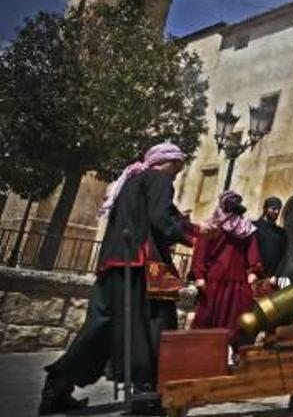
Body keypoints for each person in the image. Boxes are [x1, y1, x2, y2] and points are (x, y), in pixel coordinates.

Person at [40, 142, 193, 415]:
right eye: (176, 168)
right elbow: (161, 219)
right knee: (149, 324)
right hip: (140, 265)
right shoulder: (158, 179)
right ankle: (144, 392)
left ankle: (58, 384)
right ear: (166, 162)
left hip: (112, 263)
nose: (176, 174)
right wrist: (190, 236)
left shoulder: (130, 180)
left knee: (102, 325)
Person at [191, 191, 262, 352]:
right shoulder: (213, 226)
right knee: (209, 314)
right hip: (215, 278)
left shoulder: (246, 228)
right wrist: (199, 275)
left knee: (235, 317)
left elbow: (252, 252)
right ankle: (202, 350)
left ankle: (230, 350)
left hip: (237, 280)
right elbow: (201, 251)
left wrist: (253, 271)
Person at [253, 196, 287, 281]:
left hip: (270, 280)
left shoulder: (281, 233)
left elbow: (284, 256)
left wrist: (276, 275)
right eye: (273, 208)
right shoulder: (253, 226)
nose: (277, 212)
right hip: (252, 276)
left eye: (279, 209)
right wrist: (250, 272)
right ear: (265, 209)